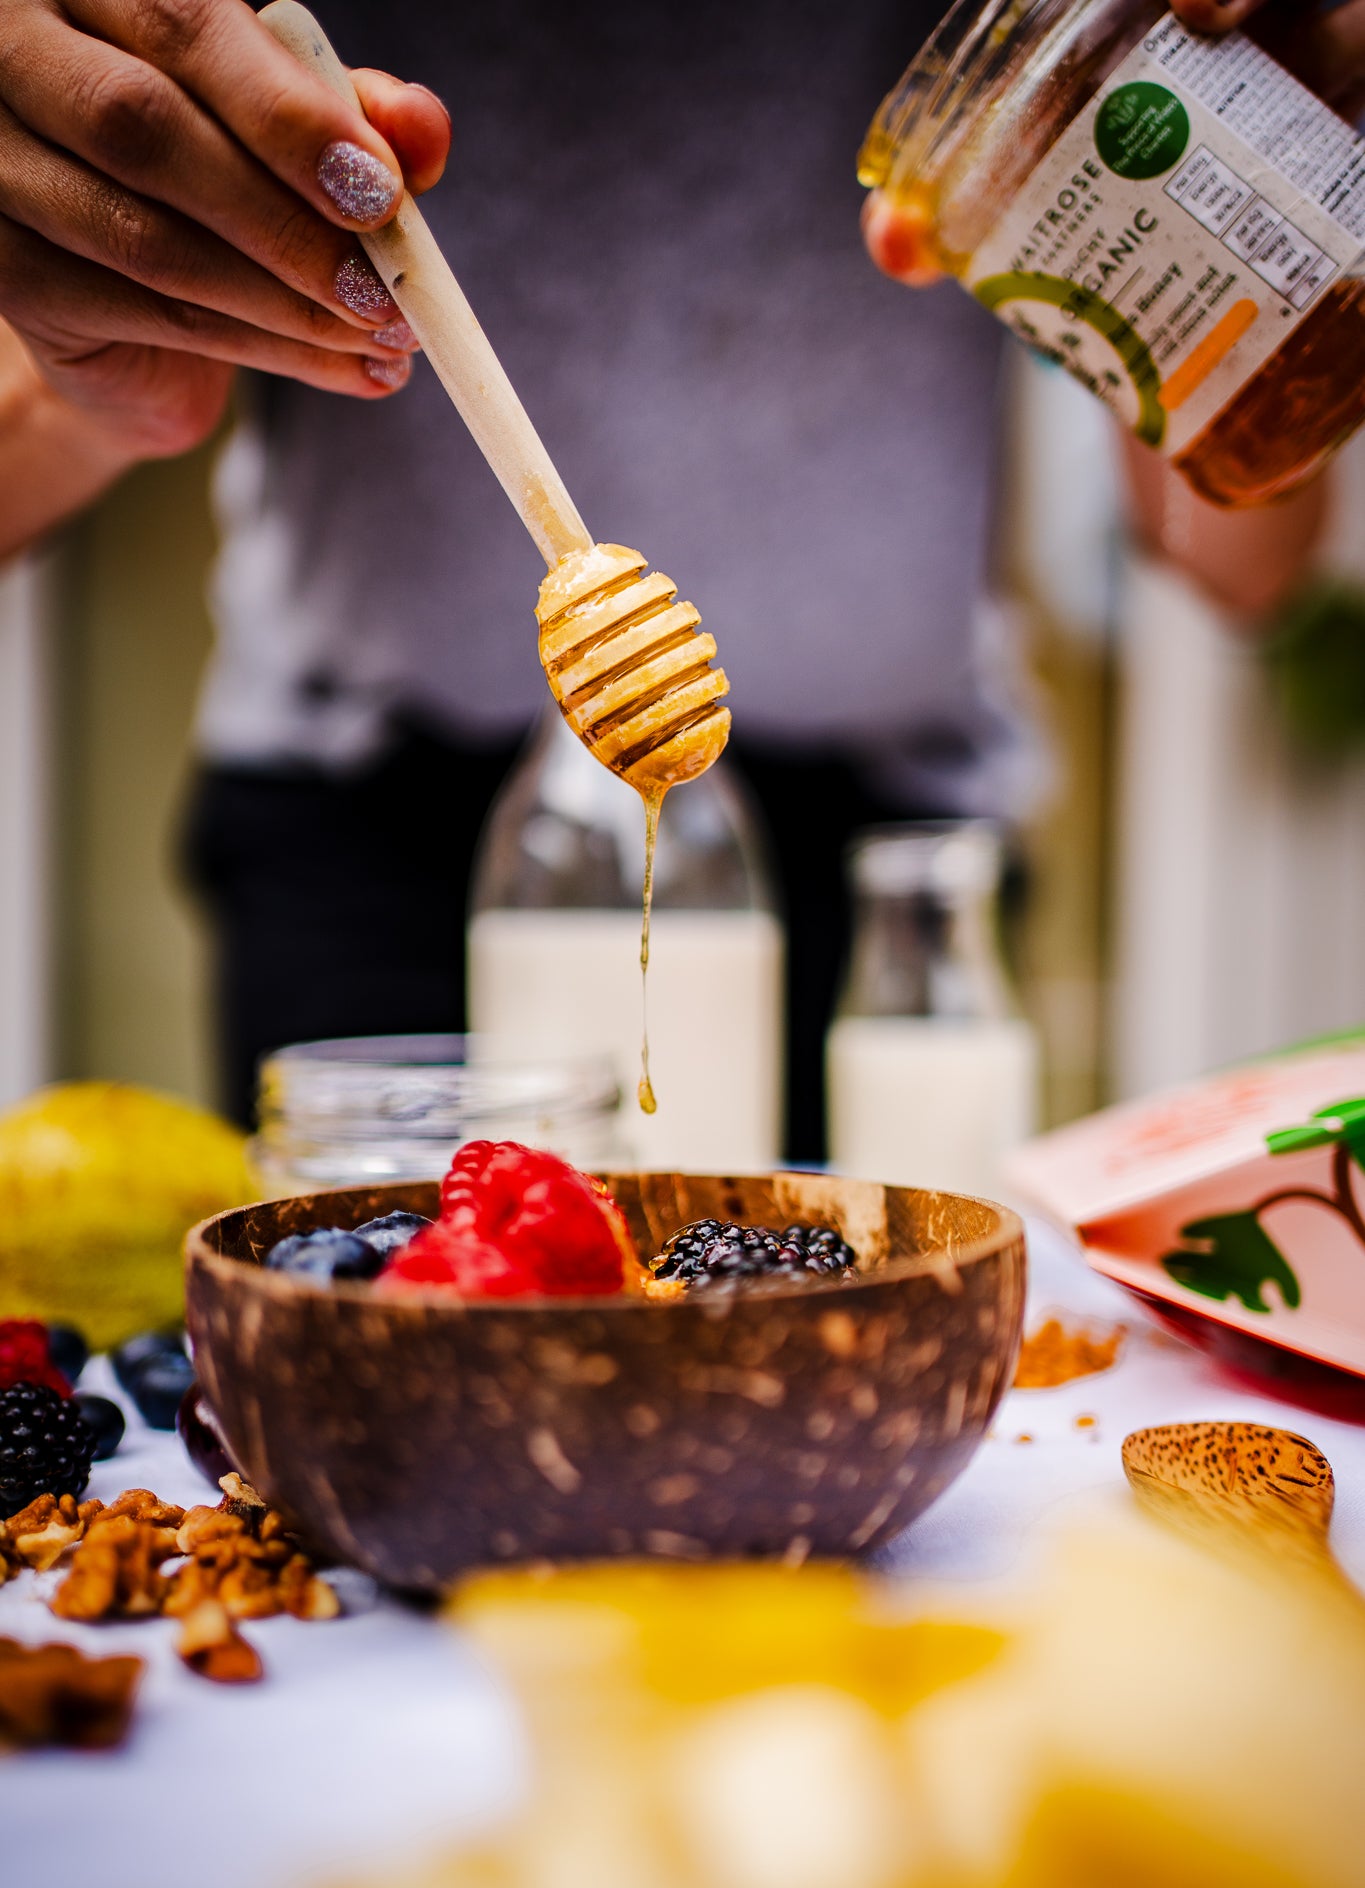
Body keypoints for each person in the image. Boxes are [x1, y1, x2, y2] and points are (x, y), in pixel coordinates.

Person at [0, 0, 1356, 1150]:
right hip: (377, 838)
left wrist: (1267, 241)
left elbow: (1237, 561)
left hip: (875, 867)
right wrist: (105, 388)